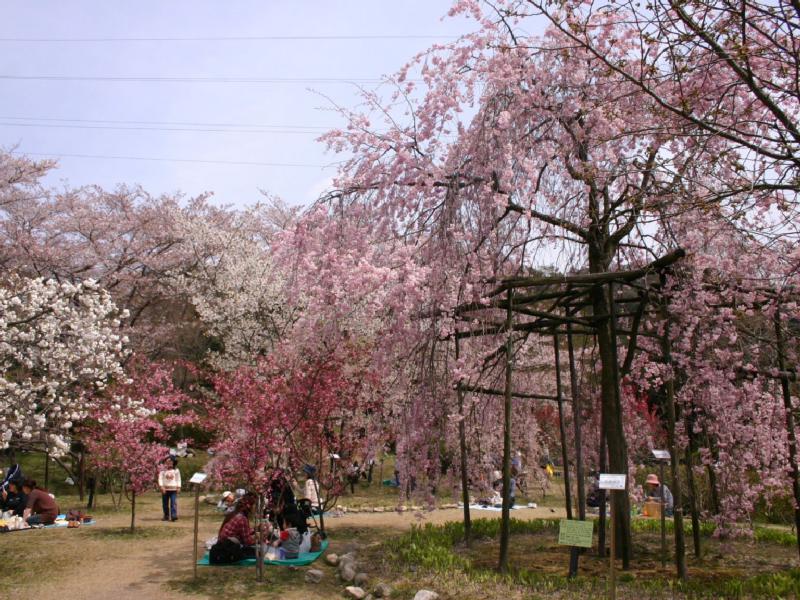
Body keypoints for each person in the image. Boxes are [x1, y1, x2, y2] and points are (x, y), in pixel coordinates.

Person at [211, 493, 262, 563]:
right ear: (249, 506)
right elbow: (247, 542)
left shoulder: (235, 514)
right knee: (258, 552)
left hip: (222, 545)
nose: (255, 509)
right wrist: (259, 537)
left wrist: (255, 529)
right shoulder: (242, 518)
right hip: (227, 549)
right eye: (254, 506)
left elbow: (243, 532)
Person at [158, 456, 181, 521]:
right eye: (167, 462)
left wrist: (179, 487)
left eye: (170, 462)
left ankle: (174, 515)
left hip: (173, 489)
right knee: (165, 504)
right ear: (165, 462)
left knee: (173, 503)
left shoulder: (176, 470)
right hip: (165, 489)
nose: (169, 463)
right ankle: (166, 516)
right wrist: (161, 486)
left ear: (173, 462)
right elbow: (160, 478)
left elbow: (178, 479)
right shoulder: (162, 470)